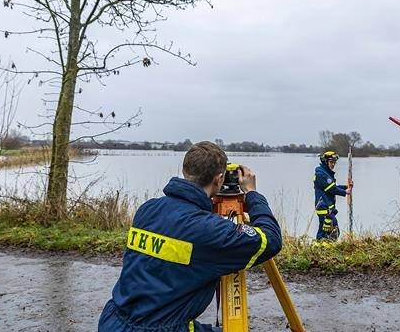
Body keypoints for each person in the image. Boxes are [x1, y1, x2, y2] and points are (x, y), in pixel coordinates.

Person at [98, 141, 282, 331]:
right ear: (219, 179)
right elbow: (271, 238)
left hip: (114, 320)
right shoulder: (208, 230)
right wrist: (252, 193)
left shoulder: (148, 209)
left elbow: (185, 229)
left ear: (186, 171)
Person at [312, 151, 352, 241]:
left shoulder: (325, 173)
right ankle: (324, 248)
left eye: (334, 162)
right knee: (332, 230)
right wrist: (345, 192)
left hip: (327, 208)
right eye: (331, 162)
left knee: (325, 231)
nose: (333, 164)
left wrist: (346, 187)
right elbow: (332, 189)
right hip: (324, 208)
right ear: (325, 162)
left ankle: (320, 247)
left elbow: (334, 187)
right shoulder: (321, 174)